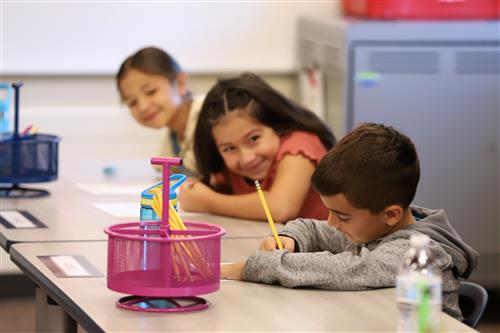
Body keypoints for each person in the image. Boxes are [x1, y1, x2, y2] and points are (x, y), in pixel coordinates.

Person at [220, 123, 479, 320]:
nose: (332, 223)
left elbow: (349, 269)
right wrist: (291, 239)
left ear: (390, 215)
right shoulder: (371, 227)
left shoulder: (417, 253)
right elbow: (313, 228)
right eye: (330, 211)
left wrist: (248, 269)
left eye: (342, 216)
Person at [178, 73, 336, 222]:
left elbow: (281, 208)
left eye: (254, 138)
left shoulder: (300, 144)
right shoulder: (231, 167)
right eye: (229, 148)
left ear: (276, 125)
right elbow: (215, 186)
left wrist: (208, 202)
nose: (247, 158)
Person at [116, 46, 203, 175]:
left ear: (180, 83)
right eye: (132, 102)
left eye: (151, 92)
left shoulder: (211, 117)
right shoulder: (173, 138)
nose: (143, 107)